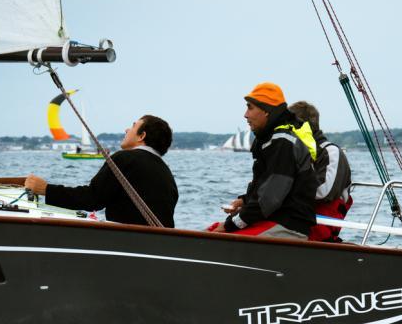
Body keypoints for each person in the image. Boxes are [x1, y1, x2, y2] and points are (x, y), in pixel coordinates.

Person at [25, 115, 178, 227]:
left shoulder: (124, 158)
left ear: (141, 136)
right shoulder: (167, 174)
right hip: (160, 244)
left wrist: (46, 189)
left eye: (132, 126)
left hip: (127, 243)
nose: (126, 129)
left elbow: (92, 198)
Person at [211, 82, 317, 239]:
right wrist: (245, 200)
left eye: (250, 108)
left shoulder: (282, 143)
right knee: (212, 231)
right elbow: (266, 188)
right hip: (274, 220)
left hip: (288, 226)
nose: (245, 115)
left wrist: (230, 225)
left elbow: (269, 199)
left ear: (267, 111)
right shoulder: (272, 140)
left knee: (217, 238)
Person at [289, 100, 353, 242]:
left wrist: (285, 188)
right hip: (295, 219)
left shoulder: (331, 152)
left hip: (318, 225)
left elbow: (323, 191)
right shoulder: (293, 151)